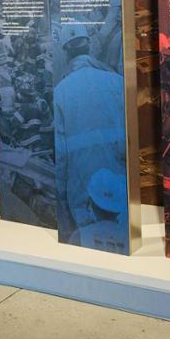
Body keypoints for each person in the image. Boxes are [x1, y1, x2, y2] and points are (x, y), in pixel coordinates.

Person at [53, 27, 127, 250]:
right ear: (90, 47)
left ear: (66, 53)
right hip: (119, 177)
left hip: (81, 185)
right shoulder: (117, 81)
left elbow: (61, 153)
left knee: (87, 244)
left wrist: (61, 194)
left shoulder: (61, 91)